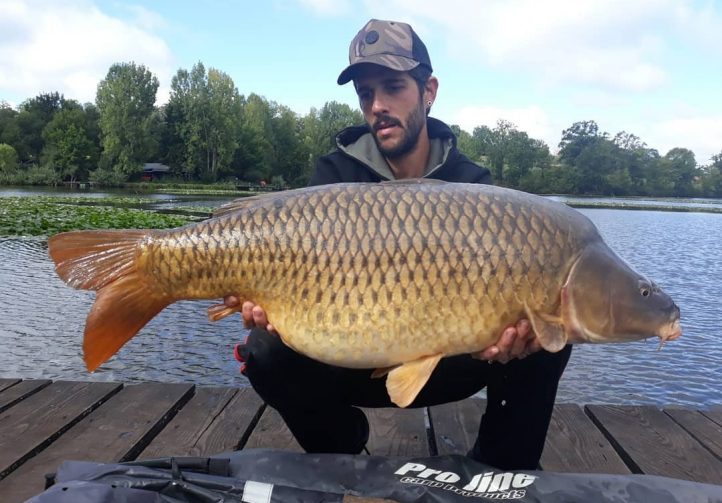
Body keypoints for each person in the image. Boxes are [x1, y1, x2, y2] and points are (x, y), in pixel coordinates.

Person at [225, 19, 572, 470]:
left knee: (552, 327)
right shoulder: (333, 176)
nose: (378, 106)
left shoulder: (474, 188)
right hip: (348, 356)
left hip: (451, 360)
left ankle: (503, 465)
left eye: (392, 87)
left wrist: (513, 337)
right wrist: (264, 303)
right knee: (263, 350)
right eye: (366, 94)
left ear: (429, 89)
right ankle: (340, 447)